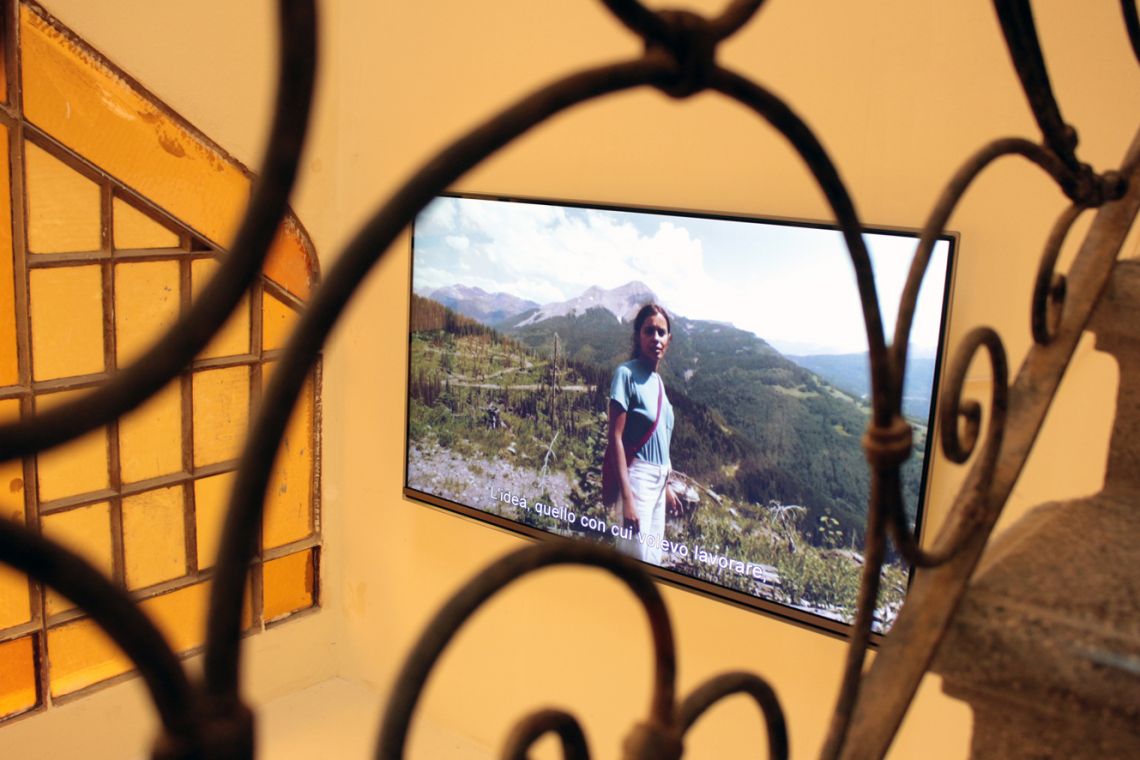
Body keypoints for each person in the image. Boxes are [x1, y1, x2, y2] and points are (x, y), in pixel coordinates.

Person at [606, 303, 678, 565]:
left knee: (652, 560)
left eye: (661, 333)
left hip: (659, 482)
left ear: (669, 340)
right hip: (637, 480)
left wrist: (666, 486)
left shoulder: (658, 382)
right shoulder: (626, 374)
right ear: (639, 335)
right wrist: (628, 499)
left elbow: (661, 439)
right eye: (649, 331)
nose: (656, 338)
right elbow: (615, 438)